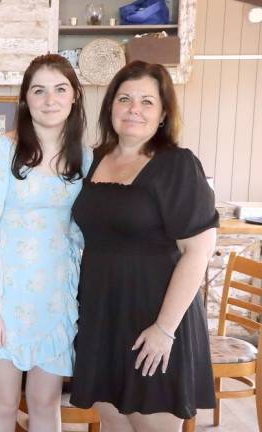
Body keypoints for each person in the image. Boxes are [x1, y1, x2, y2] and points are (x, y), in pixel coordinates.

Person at [70, 61, 218, 432]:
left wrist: (164, 329)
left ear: (164, 113)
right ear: (111, 108)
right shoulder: (94, 159)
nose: (134, 108)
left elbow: (198, 251)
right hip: (102, 317)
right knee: (113, 423)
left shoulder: (177, 165)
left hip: (153, 322)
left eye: (147, 101)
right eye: (125, 98)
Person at [0, 54, 90, 432]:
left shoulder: (86, 157)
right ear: (25, 99)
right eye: (39, 90)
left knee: (46, 403)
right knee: (2, 403)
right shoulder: (3, 152)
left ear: (75, 95)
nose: (50, 99)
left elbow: (81, 229)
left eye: (60, 89)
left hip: (55, 296)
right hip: (5, 295)